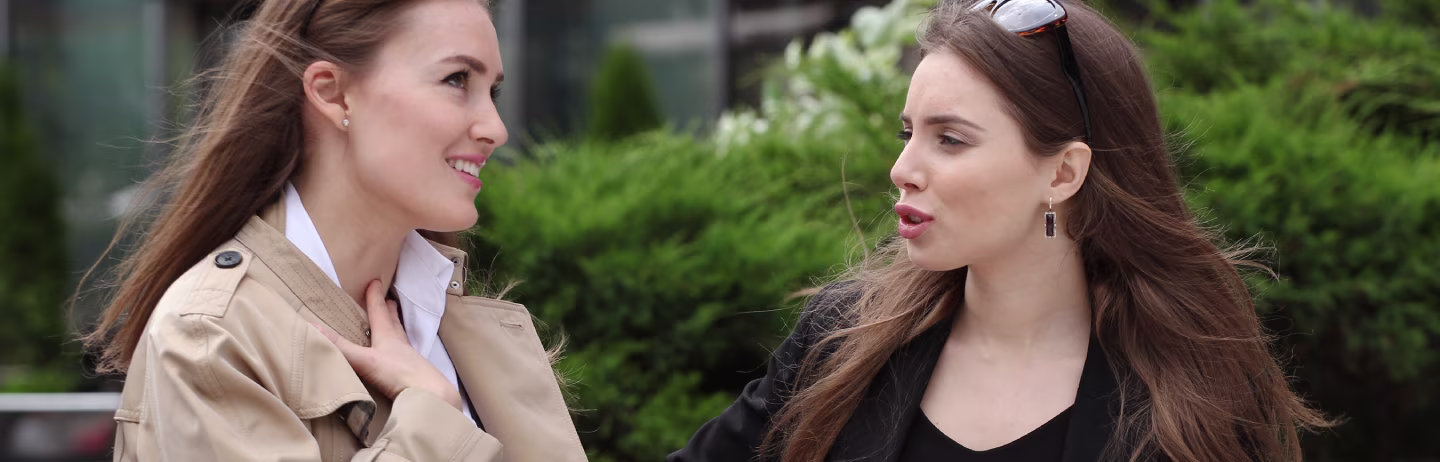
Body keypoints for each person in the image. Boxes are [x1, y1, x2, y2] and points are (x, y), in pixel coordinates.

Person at [669, 0, 1329, 461]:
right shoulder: (840, 343)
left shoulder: (1187, 398)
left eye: (949, 139)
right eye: (908, 134)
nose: (903, 169)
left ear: (1063, 173)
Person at [79, 0, 584, 460]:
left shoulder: (458, 323)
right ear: (333, 93)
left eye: (491, 91)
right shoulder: (211, 339)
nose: (495, 128)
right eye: (456, 80)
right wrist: (431, 415)